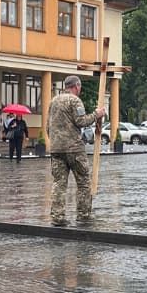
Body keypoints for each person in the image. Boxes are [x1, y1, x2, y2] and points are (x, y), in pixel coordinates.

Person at [46, 76, 106, 226]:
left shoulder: (53, 101)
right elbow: (81, 121)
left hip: (56, 148)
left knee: (59, 183)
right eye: (80, 87)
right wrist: (96, 115)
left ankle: (57, 217)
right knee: (84, 182)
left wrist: (54, 141)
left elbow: (48, 125)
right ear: (77, 86)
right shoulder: (75, 100)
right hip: (74, 149)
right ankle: (83, 214)